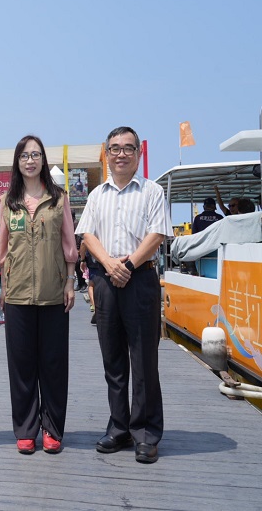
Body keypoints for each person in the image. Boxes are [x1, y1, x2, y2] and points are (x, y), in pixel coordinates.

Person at [76, 126, 172, 464]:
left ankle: (145, 432)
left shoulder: (152, 191)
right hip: (106, 281)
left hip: (140, 280)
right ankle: (119, 427)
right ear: (106, 153)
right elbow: (87, 233)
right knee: (113, 360)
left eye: (128, 148)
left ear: (138, 154)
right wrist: (108, 264)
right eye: (114, 148)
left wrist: (127, 265)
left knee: (144, 359)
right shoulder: (97, 194)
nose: (121, 154)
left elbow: (157, 233)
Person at [0, 134, 77, 455]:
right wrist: (3, 286)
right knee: (22, 365)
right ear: (17, 162)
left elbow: (70, 244)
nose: (30, 160)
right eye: (24, 156)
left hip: (54, 292)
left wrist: (70, 281)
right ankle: (26, 429)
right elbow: (2, 250)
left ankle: (53, 428)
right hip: (16, 295)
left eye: (36, 155)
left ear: (43, 160)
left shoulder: (59, 198)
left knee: (54, 365)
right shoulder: (9, 201)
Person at [79, 239, 98, 322]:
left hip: (93, 260)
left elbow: (83, 243)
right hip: (107, 260)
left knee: (91, 285)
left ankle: (95, 309)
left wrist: (82, 260)